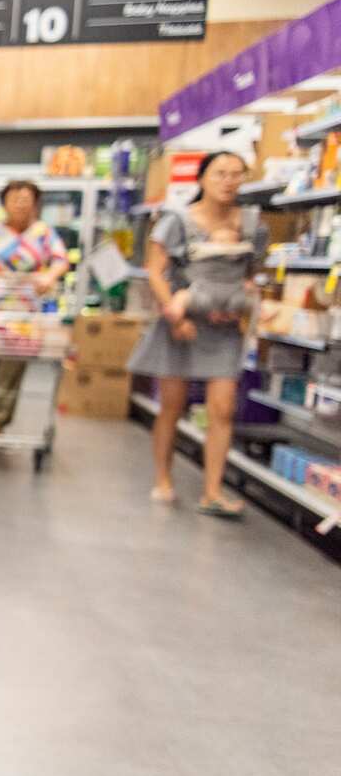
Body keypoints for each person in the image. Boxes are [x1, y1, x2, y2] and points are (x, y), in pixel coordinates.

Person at [128, 151, 263, 518]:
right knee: (172, 405)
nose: (228, 181)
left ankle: (212, 491)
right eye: (220, 173)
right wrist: (175, 316)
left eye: (237, 174)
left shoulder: (251, 224)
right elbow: (155, 271)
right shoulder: (177, 221)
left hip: (225, 327)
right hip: (182, 322)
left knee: (223, 409)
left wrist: (241, 304)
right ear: (202, 178)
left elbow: (252, 271)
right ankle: (163, 478)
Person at [0, 180, 70, 434]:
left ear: (35, 204)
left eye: (26, 199)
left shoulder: (43, 233)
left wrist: (50, 276)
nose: (20, 204)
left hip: (25, 317)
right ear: (4, 203)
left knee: (10, 372)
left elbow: (61, 260)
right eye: (15, 199)